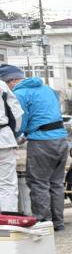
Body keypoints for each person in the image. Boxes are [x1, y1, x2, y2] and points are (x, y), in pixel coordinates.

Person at [4, 66, 68, 231]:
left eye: (5, 83)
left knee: (38, 183)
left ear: (11, 80)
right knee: (56, 183)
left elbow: (20, 122)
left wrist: (16, 137)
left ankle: (43, 223)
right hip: (61, 139)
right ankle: (58, 223)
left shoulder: (20, 93)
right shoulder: (47, 89)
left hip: (42, 142)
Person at [0, 66, 24, 213]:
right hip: (3, 139)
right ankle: (8, 225)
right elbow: (16, 114)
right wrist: (14, 134)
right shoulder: (1, 86)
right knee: (7, 184)